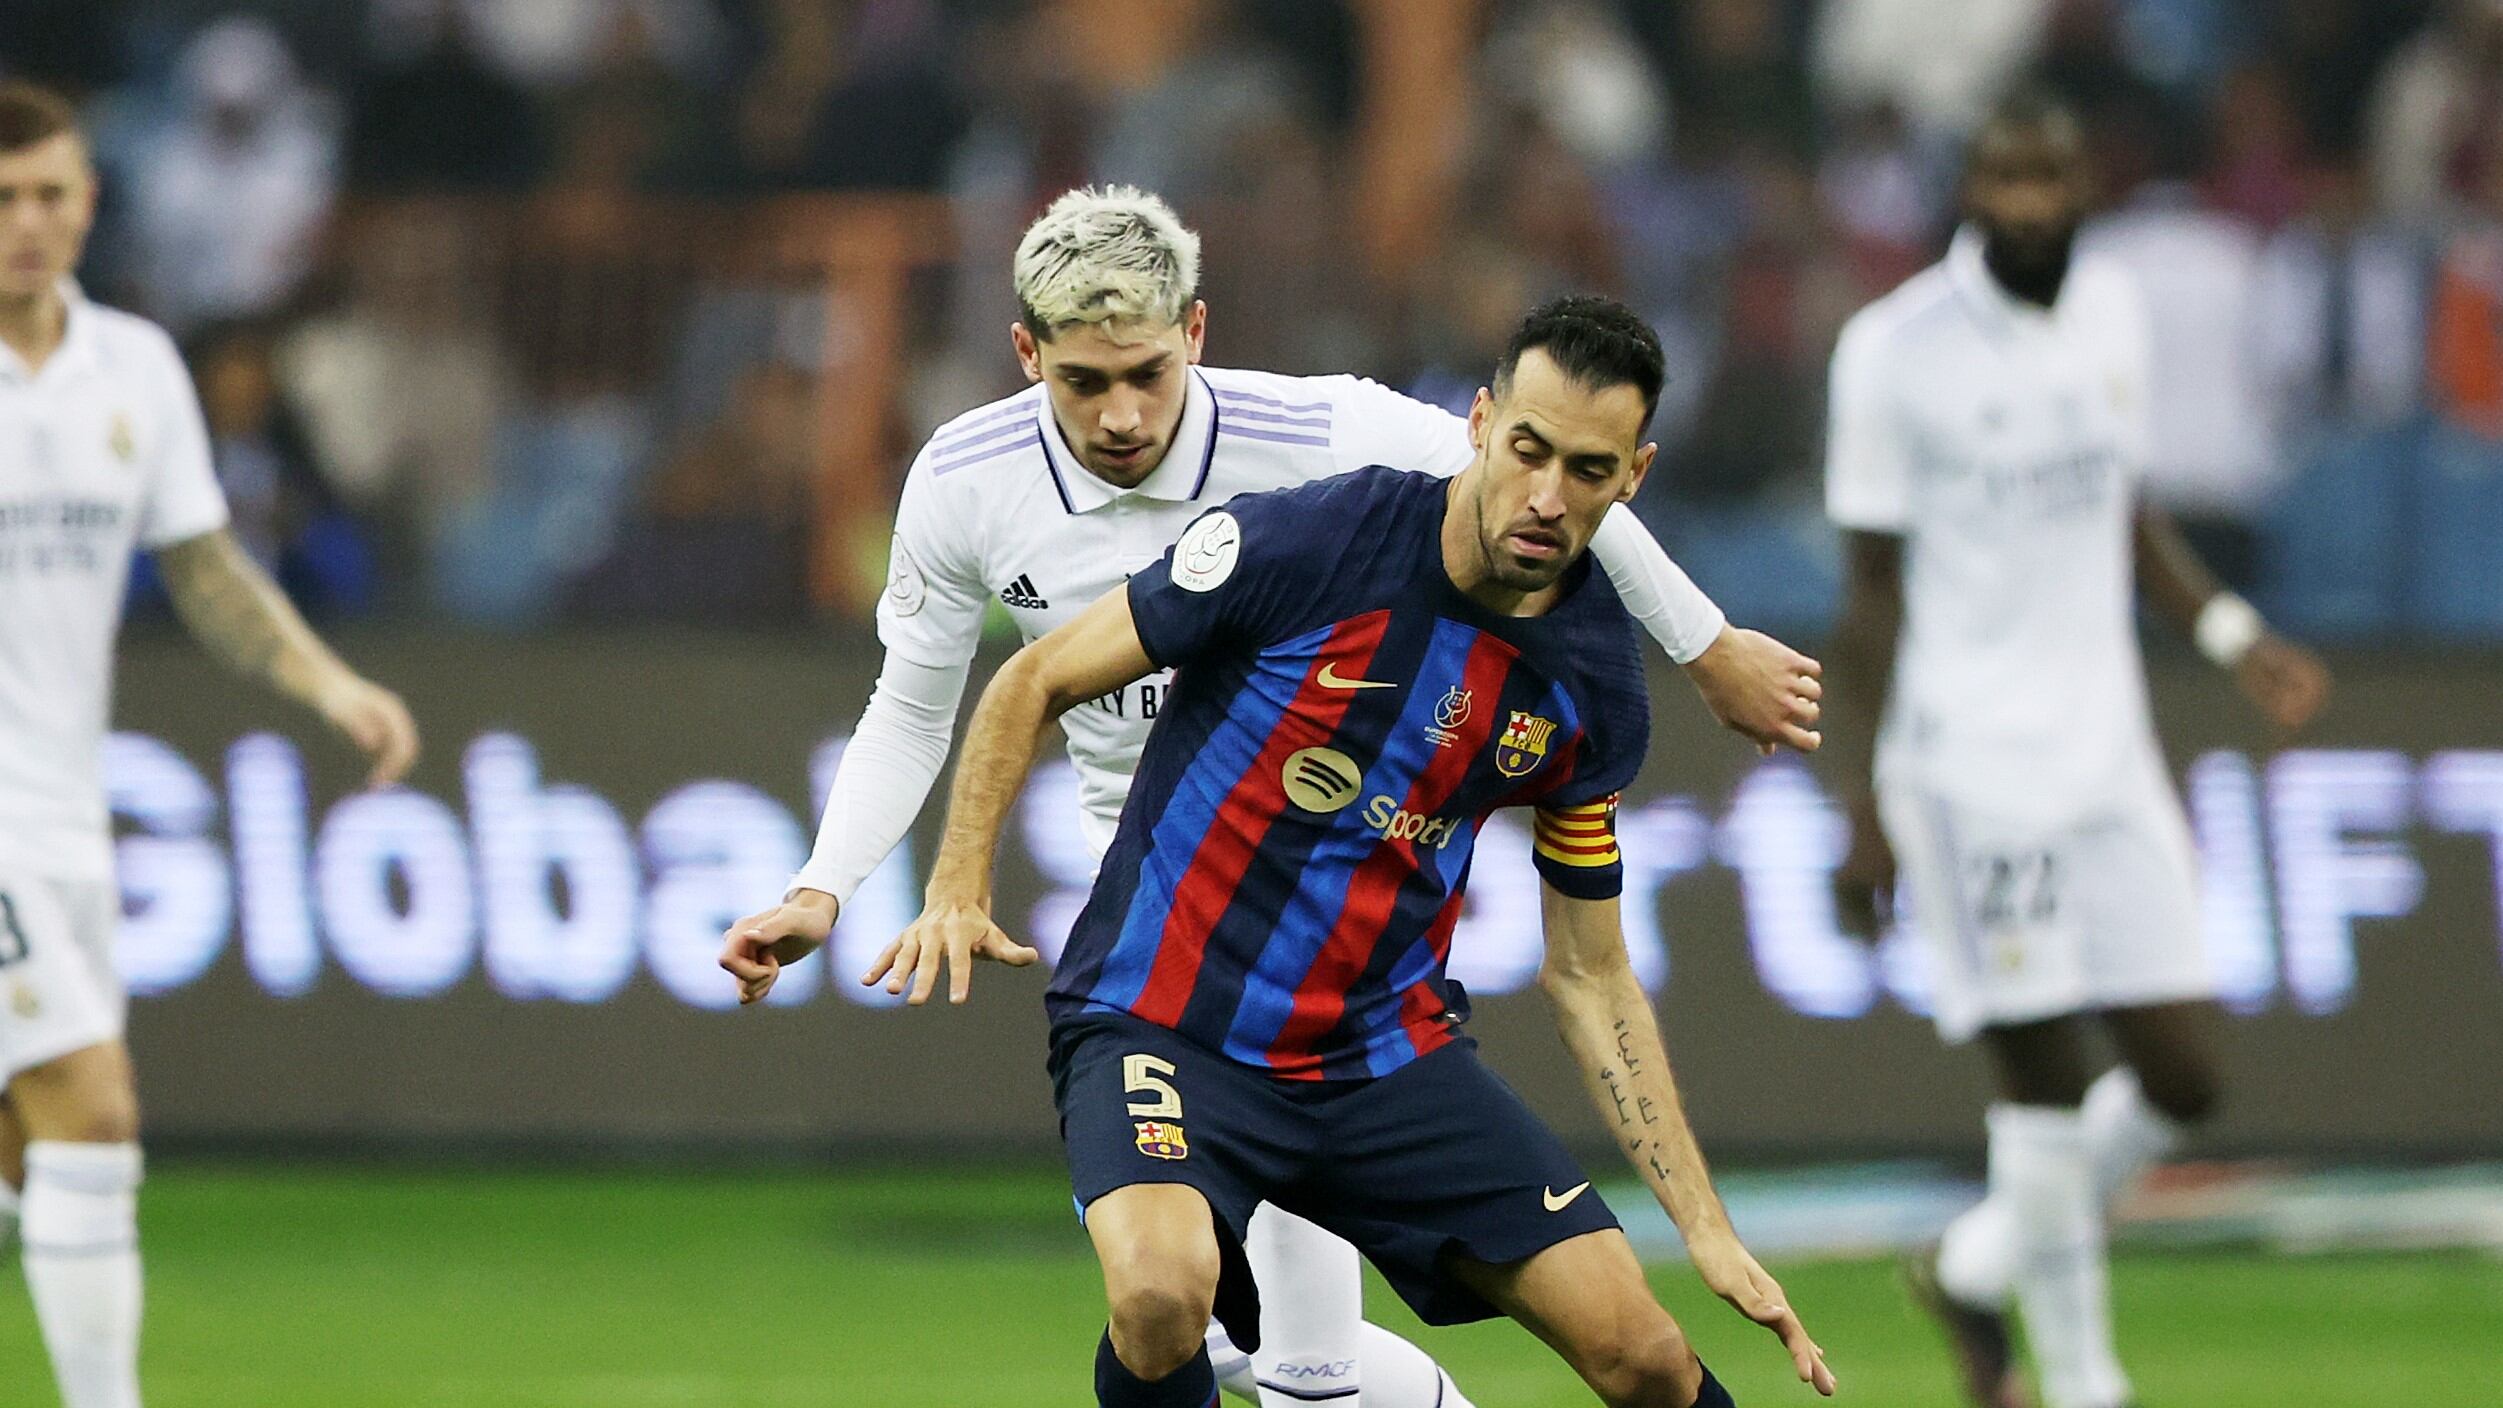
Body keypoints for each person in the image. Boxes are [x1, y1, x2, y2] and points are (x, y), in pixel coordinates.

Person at [720, 187, 1824, 1408]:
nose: (1121, 414)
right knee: (1200, 1314)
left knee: (1313, 1363)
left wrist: (1705, 644)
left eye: (1146, 374)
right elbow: (924, 705)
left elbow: (1552, 478)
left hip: (1346, 960)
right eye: (1083, 382)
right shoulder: (967, 479)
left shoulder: (1323, 436)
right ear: (1026, 354)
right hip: (1164, 918)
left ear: (1195, 334)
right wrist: (831, 884)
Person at [1822, 93, 2329, 1408]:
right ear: (1968, 191)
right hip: (1966, 763)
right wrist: (1858, 802)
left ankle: (1974, 1262)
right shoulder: (1891, 352)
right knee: (2044, 1087)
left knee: (2183, 1079)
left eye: (2048, 179)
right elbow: (1867, 594)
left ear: (2080, 187)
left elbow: (2123, 512)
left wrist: (2229, 633)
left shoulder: (2109, 308)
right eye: (2005, 180)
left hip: (2106, 750)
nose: (2029, 203)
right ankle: (2088, 1384)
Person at [0, 82, 420, 1408]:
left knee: (28, 1150)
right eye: (2, 200)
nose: (26, 223)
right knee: (91, 1108)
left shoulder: (135, 367)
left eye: (50, 195)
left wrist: (328, 683)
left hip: (64, 807)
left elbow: (202, 564)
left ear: (90, 202)